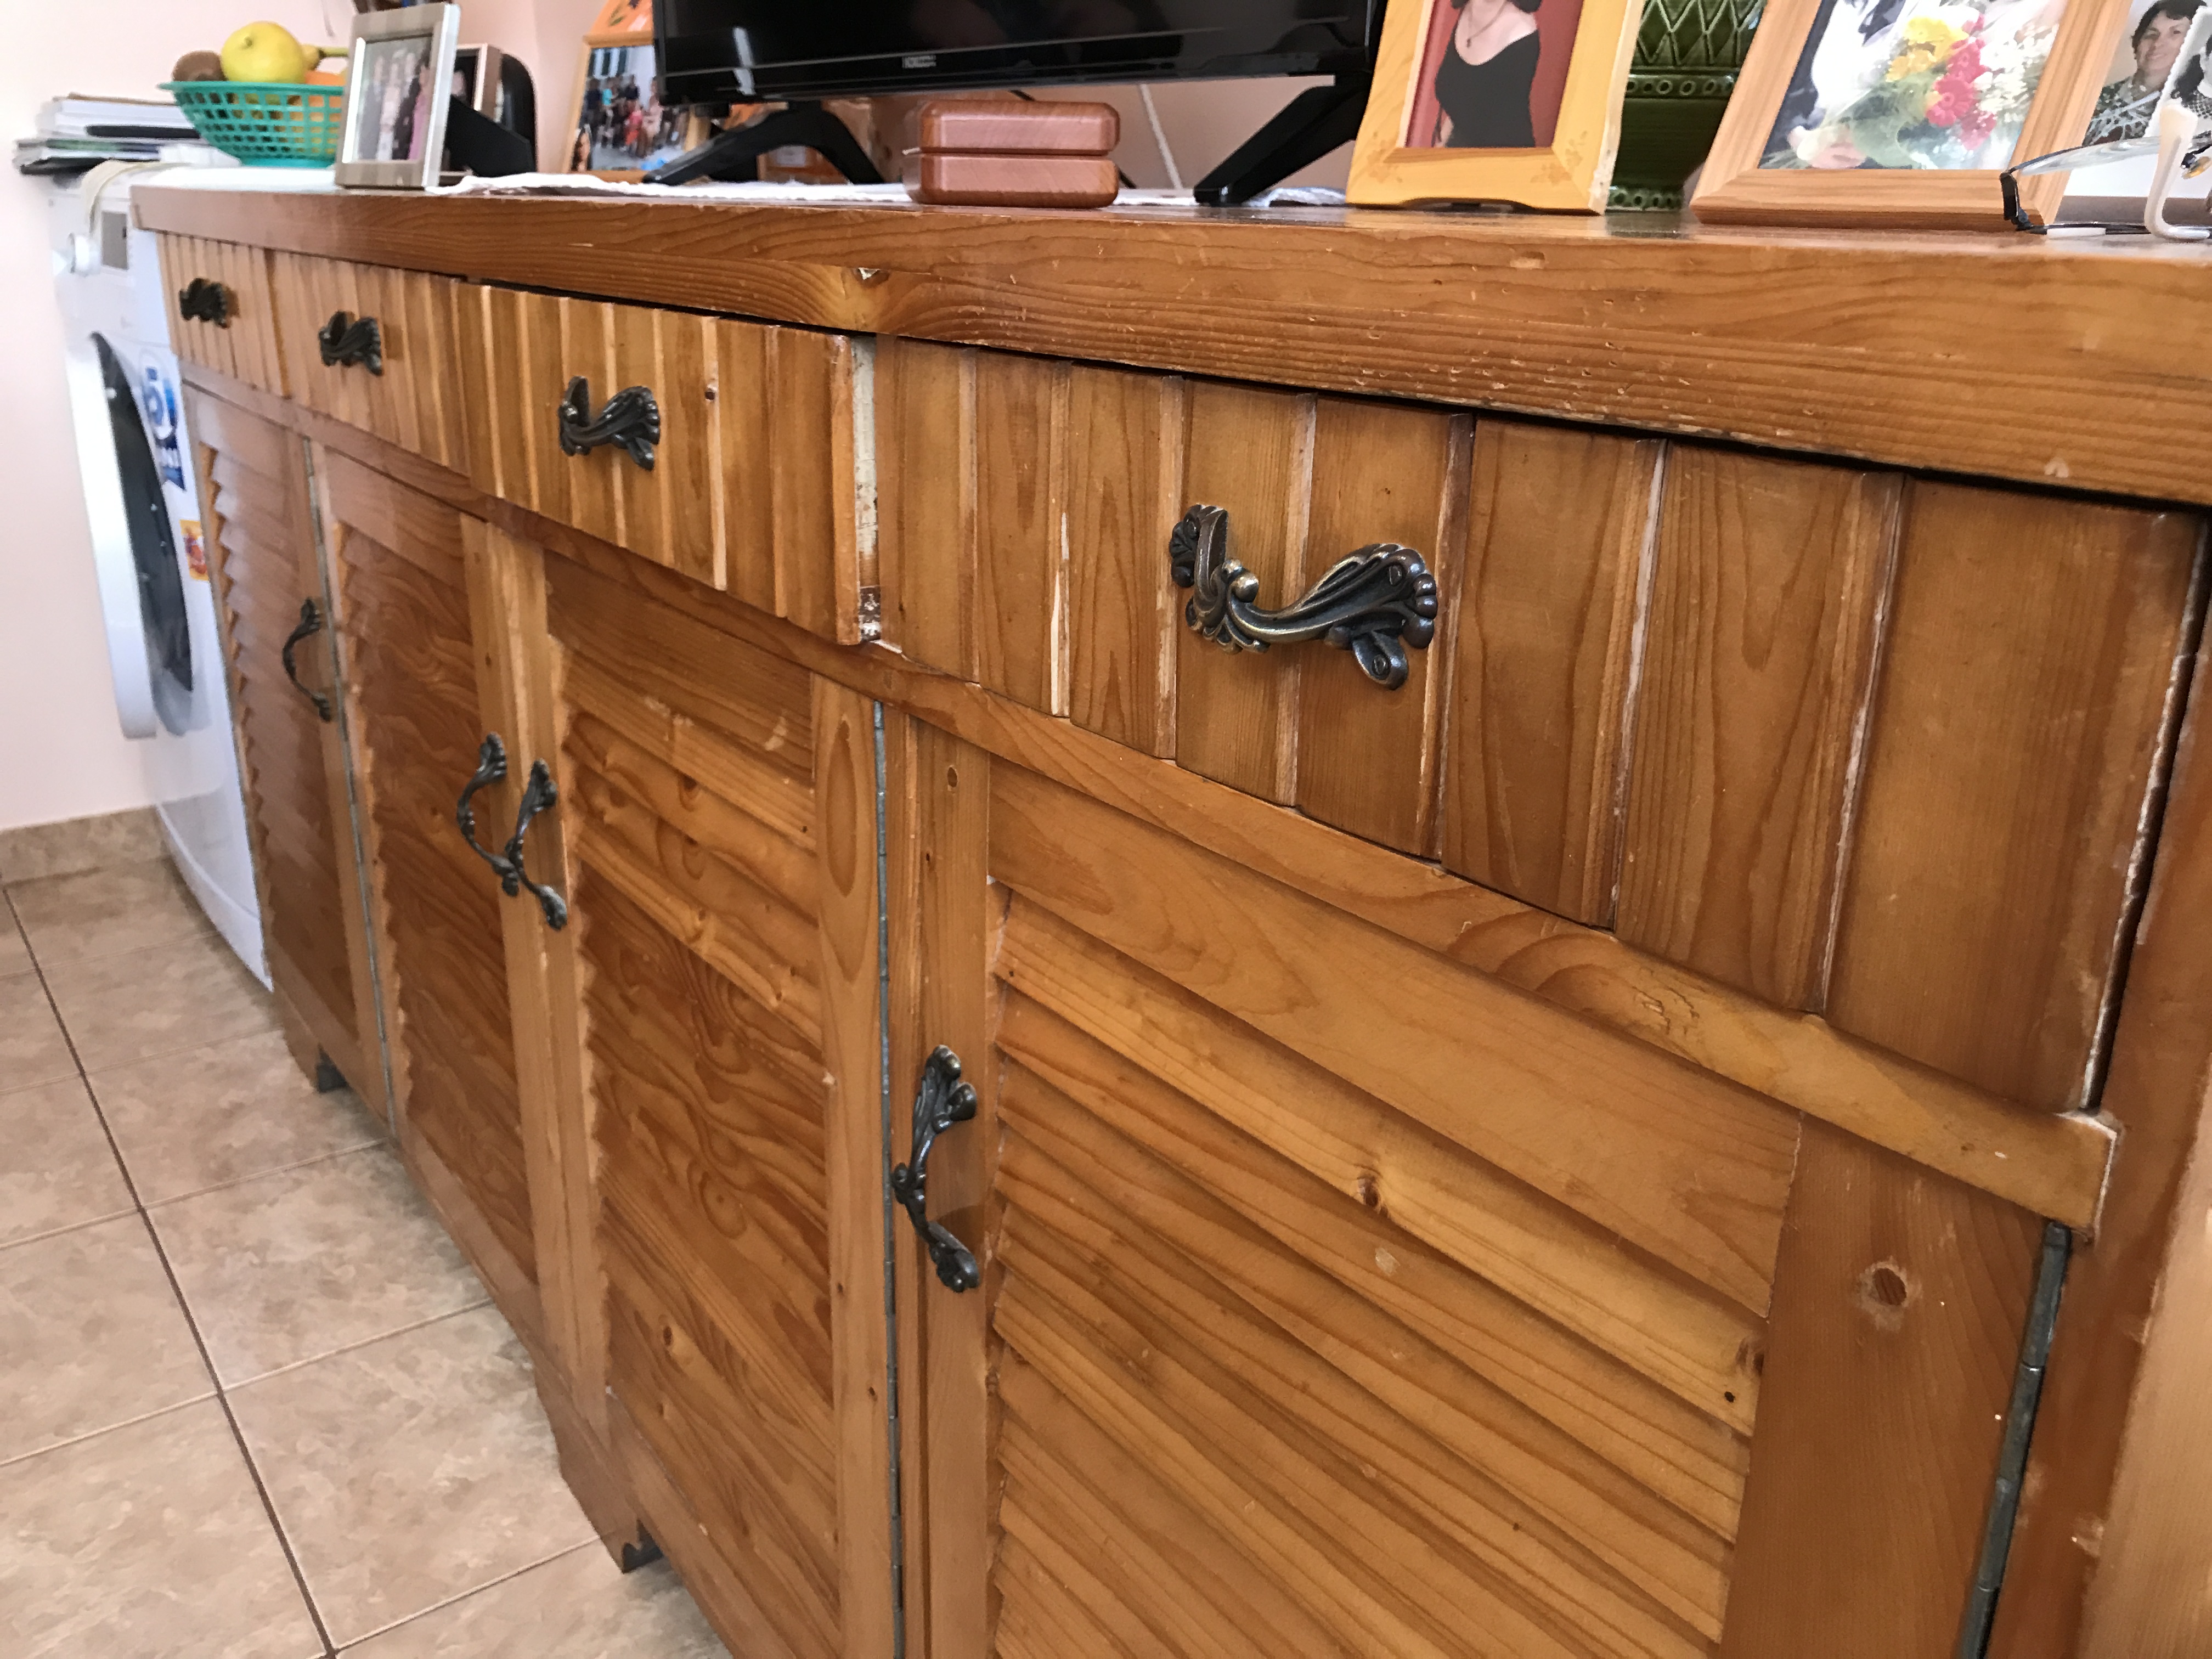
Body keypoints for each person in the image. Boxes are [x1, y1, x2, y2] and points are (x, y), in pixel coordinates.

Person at [1430, 0, 1544, 148]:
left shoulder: (1522, 39)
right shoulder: (1471, 10)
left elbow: (1485, 121)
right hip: (1460, 148)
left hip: (1499, 156)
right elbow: (1461, 104)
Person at [2087, 0, 2198, 142]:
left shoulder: (2188, 115)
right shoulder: (2097, 96)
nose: (2157, 43)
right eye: (2151, 34)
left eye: (2175, 33)